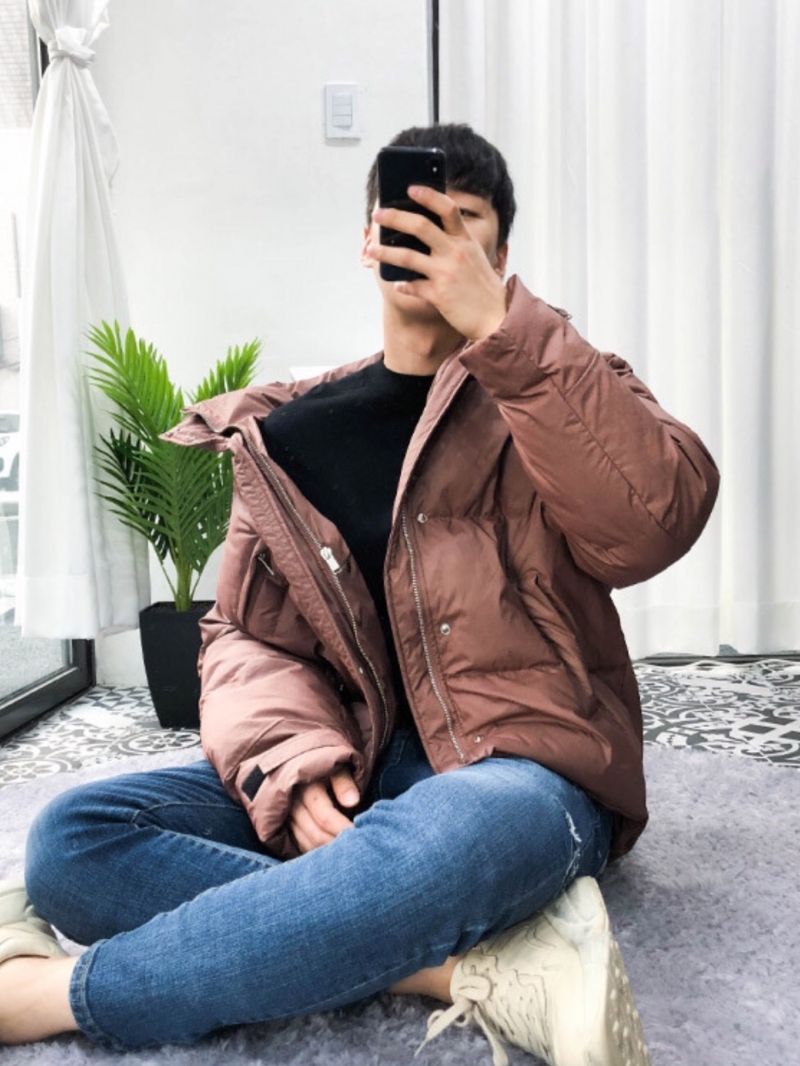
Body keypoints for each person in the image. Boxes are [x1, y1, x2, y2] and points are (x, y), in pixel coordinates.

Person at [0, 124, 718, 1065]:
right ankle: (456, 968)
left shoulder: (557, 390)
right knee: (75, 841)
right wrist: (289, 763)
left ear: (500, 257)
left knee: (457, 838)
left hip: (519, 770)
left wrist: (508, 334)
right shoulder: (289, 429)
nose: (434, 238)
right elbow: (244, 636)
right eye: (410, 217)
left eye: (463, 222)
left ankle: (56, 995)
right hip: (356, 758)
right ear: (369, 240)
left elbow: (651, 524)